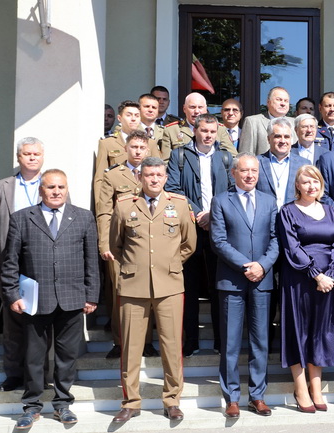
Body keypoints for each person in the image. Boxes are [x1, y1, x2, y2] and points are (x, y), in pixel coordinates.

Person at [0, 169, 99, 429]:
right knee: (34, 356)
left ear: (67, 189)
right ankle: (31, 405)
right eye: (50, 187)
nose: (56, 192)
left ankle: (63, 404)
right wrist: (12, 294)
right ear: (40, 190)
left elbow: (92, 261)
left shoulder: (84, 217)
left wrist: (91, 295)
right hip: (35, 301)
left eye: (61, 187)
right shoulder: (22, 218)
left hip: (72, 298)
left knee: (67, 355)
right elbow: (10, 262)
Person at [109, 157, 197, 423]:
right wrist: (136, 265)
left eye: (159, 175)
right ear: (140, 177)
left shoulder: (178, 205)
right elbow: (115, 245)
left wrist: (170, 264)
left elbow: (189, 243)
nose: (154, 179)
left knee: (172, 346)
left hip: (169, 284)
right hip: (133, 284)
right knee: (131, 347)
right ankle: (131, 402)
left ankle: (172, 400)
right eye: (149, 175)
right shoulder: (124, 205)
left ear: (166, 178)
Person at [210, 153, 280, 418]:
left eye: (254, 171)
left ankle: (257, 396)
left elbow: (276, 239)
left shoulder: (269, 201)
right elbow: (218, 241)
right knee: (230, 343)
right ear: (234, 173)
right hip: (232, 281)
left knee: (260, 341)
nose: (250, 175)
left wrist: (262, 265)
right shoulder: (220, 201)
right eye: (244, 171)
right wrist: (246, 266)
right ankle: (231, 398)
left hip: (262, 280)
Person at [165, 114, 234, 355]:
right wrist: (198, 214)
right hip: (188, 229)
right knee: (189, 286)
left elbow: (233, 190)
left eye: (212, 132)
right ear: (195, 130)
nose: (208, 135)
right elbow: (173, 188)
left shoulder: (225, 157)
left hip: (218, 228)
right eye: (204, 131)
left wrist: (212, 214)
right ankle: (191, 341)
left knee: (219, 286)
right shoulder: (179, 155)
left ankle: (220, 342)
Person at [277, 165, 334, 413]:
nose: (311, 186)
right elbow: (292, 247)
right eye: (305, 182)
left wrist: (331, 274)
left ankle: (316, 387)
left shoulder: (330, 209)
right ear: (297, 186)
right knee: (299, 330)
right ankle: (300, 388)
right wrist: (316, 274)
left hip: (328, 282)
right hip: (299, 279)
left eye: (315, 181)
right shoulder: (287, 211)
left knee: (320, 332)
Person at [0, 137, 48, 391]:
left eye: (36, 154)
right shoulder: (0, 187)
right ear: (18, 157)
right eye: (27, 154)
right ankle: (13, 374)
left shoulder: (52, 184)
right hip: (10, 262)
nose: (32, 158)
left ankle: (41, 375)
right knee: (13, 321)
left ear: (42, 157)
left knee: (43, 322)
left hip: (44, 262)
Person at [95, 130, 156, 359]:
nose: (138, 151)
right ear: (125, 149)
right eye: (134, 147)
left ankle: (146, 342)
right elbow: (104, 212)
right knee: (120, 293)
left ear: (148, 150)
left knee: (148, 293)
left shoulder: (155, 173)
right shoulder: (113, 176)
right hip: (119, 244)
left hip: (147, 243)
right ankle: (120, 342)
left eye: (142, 147)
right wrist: (105, 243)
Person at [95, 100, 160, 183]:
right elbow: (100, 177)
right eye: (129, 115)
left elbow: (158, 172)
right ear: (119, 118)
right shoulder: (107, 143)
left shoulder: (150, 143)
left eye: (137, 116)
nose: (133, 119)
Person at [157, 92, 235, 159]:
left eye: (200, 107)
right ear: (184, 109)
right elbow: (166, 162)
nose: (197, 111)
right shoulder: (171, 130)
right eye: (192, 107)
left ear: (206, 109)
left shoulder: (219, 129)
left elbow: (233, 157)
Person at [257, 117, 311, 209]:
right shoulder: (257, 162)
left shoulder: (304, 164)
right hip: (265, 216)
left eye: (286, 137)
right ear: (268, 139)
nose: (283, 141)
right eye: (278, 136)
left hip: (294, 216)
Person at [239, 86, 293, 155]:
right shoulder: (252, 122)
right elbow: (245, 154)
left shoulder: (294, 123)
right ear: (268, 102)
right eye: (279, 100)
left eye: (286, 101)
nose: (283, 104)